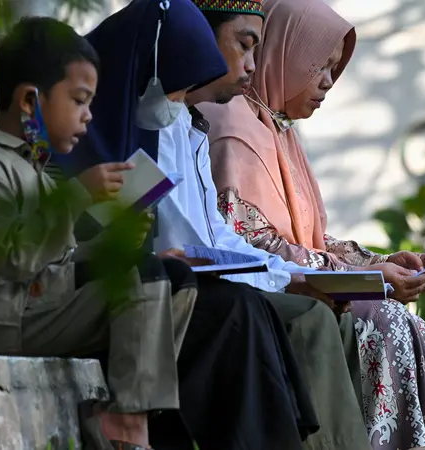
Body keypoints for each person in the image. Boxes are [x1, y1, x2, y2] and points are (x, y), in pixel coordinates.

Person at [198, 0, 425, 449]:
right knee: (384, 320)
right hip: (266, 291)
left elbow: (306, 238)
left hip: (305, 282)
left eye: (334, 69)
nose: (328, 82)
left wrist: (379, 263)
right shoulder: (231, 126)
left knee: (410, 324)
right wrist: (362, 279)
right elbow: (250, 242)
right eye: (318, 66)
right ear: (281, 52)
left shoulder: (275, 127)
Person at [47, 1, 319, 449]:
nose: (178, 104)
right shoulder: (78, 130)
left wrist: (290, 275)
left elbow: (201, 233)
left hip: (146, 293)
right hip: (89, 302)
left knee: (242, 309)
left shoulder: (164, 127)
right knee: (236, 310)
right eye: (175, 90)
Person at [151, 1, 373, 449]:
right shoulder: (180, 124)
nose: (252, 65)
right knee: (312, 316)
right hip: (176, 294)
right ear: (198, 39)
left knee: (338, 314)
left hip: (217, 282)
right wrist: (294, 278)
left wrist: (299, 276)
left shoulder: (193, 124)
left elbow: (218, 232)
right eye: (245, 46)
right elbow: (192, 243)